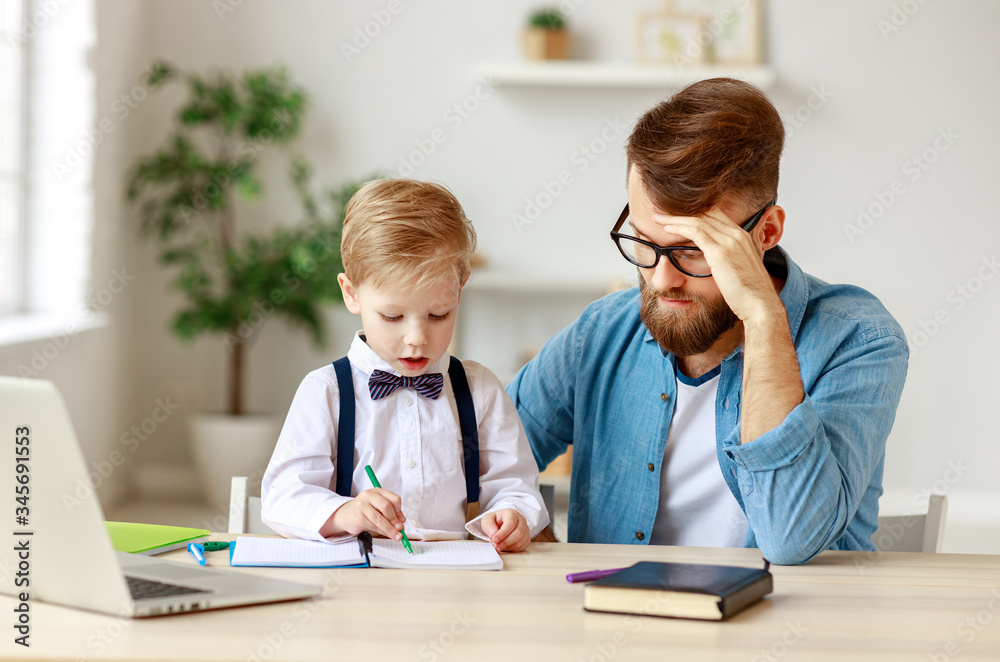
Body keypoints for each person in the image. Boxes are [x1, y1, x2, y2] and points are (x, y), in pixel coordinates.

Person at [507, 78, 908, 564]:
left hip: (790, 634)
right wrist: (537, 539)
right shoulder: (602, 332)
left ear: (766, 232)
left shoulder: (860, 340)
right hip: (614, 631)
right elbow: (480, 460)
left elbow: (790, 538)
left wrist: (763, 317)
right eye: (644, 244)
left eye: (694, 251)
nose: (661, 280)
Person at [263, 179, 548, 553]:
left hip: (458, 580)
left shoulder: (480, 388)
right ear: (351, 293)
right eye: (393, 316)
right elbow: (284, 496)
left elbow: (515, 483)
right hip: (358, 581)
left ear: (459, 290)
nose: (416, 337)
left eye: (438, 314)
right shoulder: (326, 391)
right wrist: (346, 512)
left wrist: (512, 514)